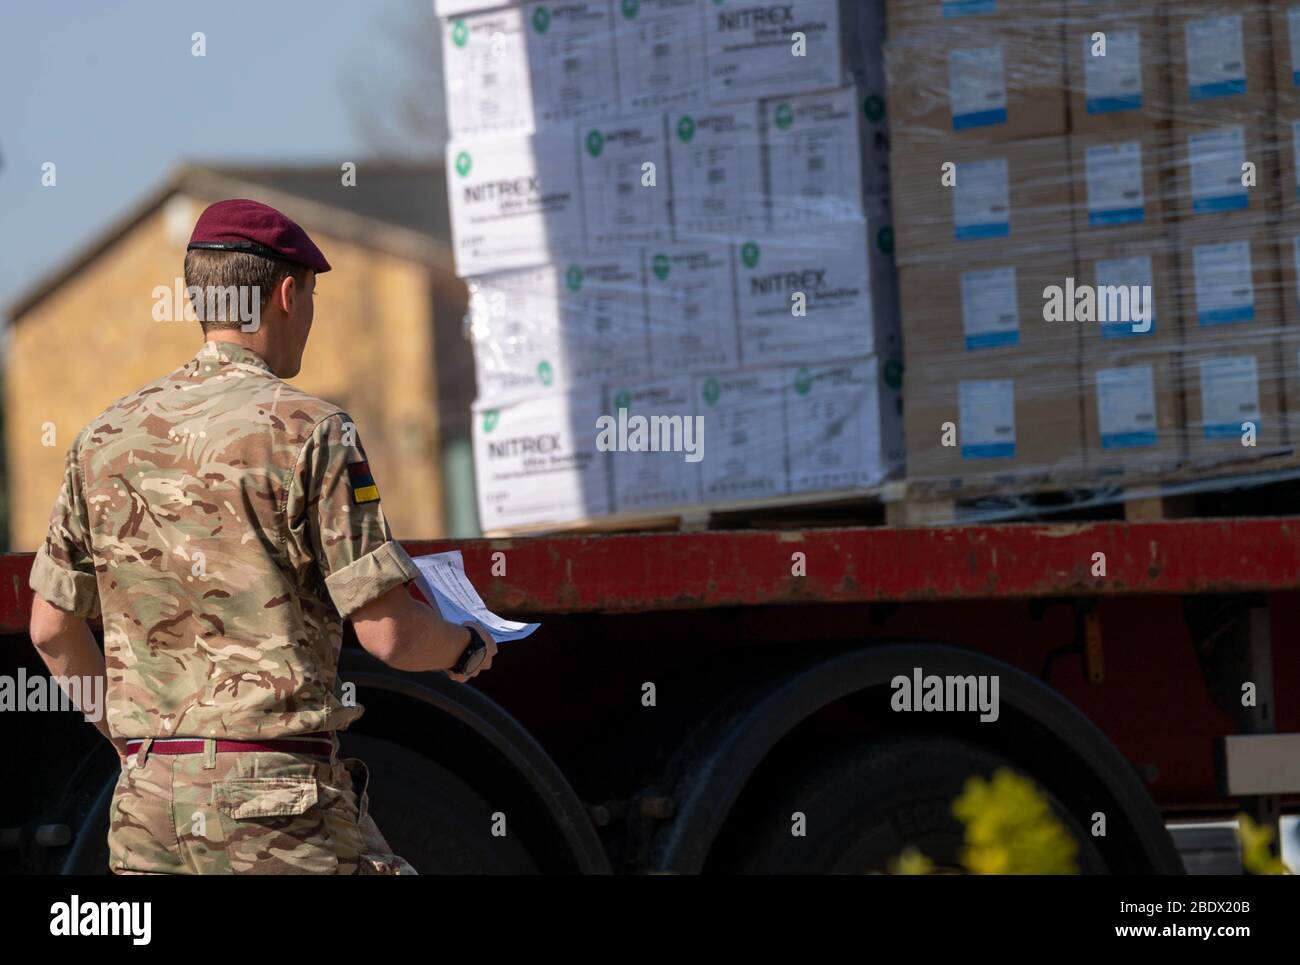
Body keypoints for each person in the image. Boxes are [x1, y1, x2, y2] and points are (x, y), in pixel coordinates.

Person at [27, 198, 497, 874]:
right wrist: (466, 645)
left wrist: (135, 744)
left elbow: (51, 629)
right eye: (310, 295)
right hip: (279, 810)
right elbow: (389, 633)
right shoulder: (313, 431)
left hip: (145, 808)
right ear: (286, 293)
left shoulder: (101, 439)